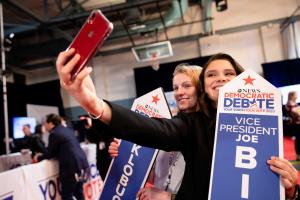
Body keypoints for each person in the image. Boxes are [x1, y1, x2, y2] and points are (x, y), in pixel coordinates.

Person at [56, 49, 299, 199]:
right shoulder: (191, 124)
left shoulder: (264, 124)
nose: (221, 78)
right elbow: (152, 129)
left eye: (229, 73)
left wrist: (288, 192)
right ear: (204, 86)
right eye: (211, 74)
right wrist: (95, 104)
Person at [108, 63, 202, 200]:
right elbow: (156, 175)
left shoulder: (207, 132)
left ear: (201, 88)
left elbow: (211, 189)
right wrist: (123, 154)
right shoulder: (170, 127)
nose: (179, 92)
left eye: (187, 86)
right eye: (176, 88)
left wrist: (170, 197)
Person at [35, 113, 89, 200]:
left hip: (71, 167)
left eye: (45, 123)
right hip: (81, 164)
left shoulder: (54, 134)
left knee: (67, 195)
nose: (45, 126)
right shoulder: (67, 130)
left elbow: (50, 153)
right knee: (79, 193)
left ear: (51, 123)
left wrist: (38, 158)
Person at [283, 91, 300, 160]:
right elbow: (293, 114)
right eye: (296, 95)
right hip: (295, 125)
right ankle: (298, 155)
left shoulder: (295, 104)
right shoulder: (290, 105)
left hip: (297, 124)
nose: (297, 96)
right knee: (298, 140)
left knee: (298, 140)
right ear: (292, 96)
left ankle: (298, 155)